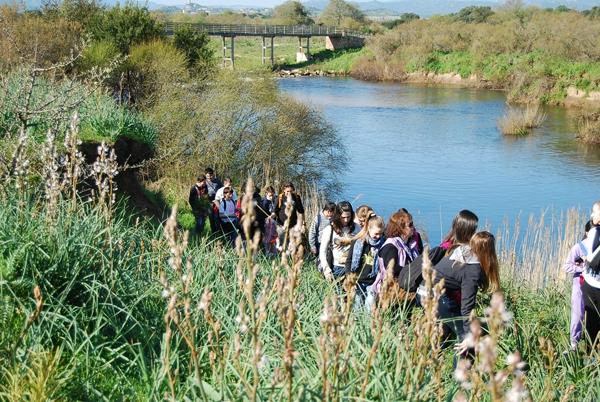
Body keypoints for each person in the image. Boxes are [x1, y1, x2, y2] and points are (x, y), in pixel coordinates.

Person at [418, 231, 500, 355]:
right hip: (435, 297)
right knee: (467, 339)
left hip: (422, 292)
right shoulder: (472, 271)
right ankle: (460, 372)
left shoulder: (459, 251)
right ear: (488, 252)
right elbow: (467, 308)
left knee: (444, 333)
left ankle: (428, 362)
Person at [370, 209, 423, 298]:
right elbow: (391, 269)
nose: (413, 227)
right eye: (410, 225)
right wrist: (413, 270)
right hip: (392, 291)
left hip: (408, 286)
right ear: (400, 228)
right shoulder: (390, 246)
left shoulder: (410, 243)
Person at [344, 213, 385, 308]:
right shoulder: (359, 242)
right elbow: (349, 261)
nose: (378, 236)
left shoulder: (383, 244)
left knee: (369, 306)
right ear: (369, 229)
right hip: (358, 280)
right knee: (357, 306)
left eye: (380, 233)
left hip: (373, 281)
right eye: (376, 234)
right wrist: (349, 278)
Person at [564, 220, 593, 352]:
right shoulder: (579, 247)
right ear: (587, 232)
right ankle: (574, 344)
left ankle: (591, 344)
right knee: (577, 314)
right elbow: (567, 266)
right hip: (580, 286)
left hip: (594, 287)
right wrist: (583, 268)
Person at [319, 201, 358, 282]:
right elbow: (322, 251)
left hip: (353, 267)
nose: (346, 220)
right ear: (337, 216)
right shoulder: (329, 229)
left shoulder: (357, 228)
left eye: (348, 217)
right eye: (343, 217)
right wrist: (326, 270)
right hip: (336, 268)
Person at [581, 201, 600, 348]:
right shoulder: (594, 230)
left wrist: (586, 258)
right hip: (590, 282)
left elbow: (592, 259)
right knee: (590, 320)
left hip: (595, 285)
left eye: (594, 212)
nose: (592, 215)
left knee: (593, 321)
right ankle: (589, 350)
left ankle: (591, 352)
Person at [274, 182, 305, 251]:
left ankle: (290, 259)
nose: (289, 193)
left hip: (293, 225)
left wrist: (303, 224)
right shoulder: (280, 197)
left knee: (292, 245)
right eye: (288, 191)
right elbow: (275, 211)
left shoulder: (297, 197)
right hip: (281, 225)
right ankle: (280, 258)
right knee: (281, 245)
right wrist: (272, 216)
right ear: (284, 190)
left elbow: (301, 211)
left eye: (291, 191)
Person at [308, 201, 336, 269]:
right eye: (332, 214)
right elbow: (312, 233)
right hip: (319, 243)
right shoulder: (318, 219)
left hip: (330, 243)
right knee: (319, 260)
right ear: (328, 211)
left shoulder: (332, 218)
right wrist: (312, 246)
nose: (332, 216)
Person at [261, 186, 278, 256]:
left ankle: (274, 252)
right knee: (267, 237)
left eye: (272, 195)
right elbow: (262, 214)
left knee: (274, 238)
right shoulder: (264, 201)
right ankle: (267, 251)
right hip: (266, 222)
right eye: (270, 195)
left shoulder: (275, 200)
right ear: (266, 193)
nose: (271, 197)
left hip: (274, 222)